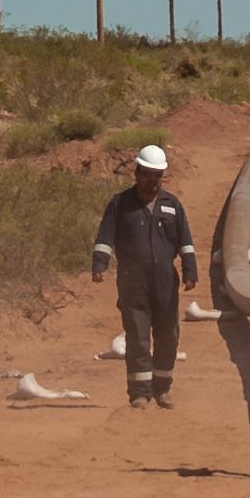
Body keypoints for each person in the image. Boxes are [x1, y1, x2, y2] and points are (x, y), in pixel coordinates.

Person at [89, 142, 198, 408]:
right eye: (147, 173)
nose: (152, 180)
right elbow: (105, 236)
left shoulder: (172, 205)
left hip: (164, 282)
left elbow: (185, 241)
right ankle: (139, 393)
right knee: (137, 337)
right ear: (137, 173)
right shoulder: (120, 204)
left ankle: (162, 389)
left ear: (163, 176)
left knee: (168, 335)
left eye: (157, 175)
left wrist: (190, 270)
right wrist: (100, 263)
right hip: (132, 282)